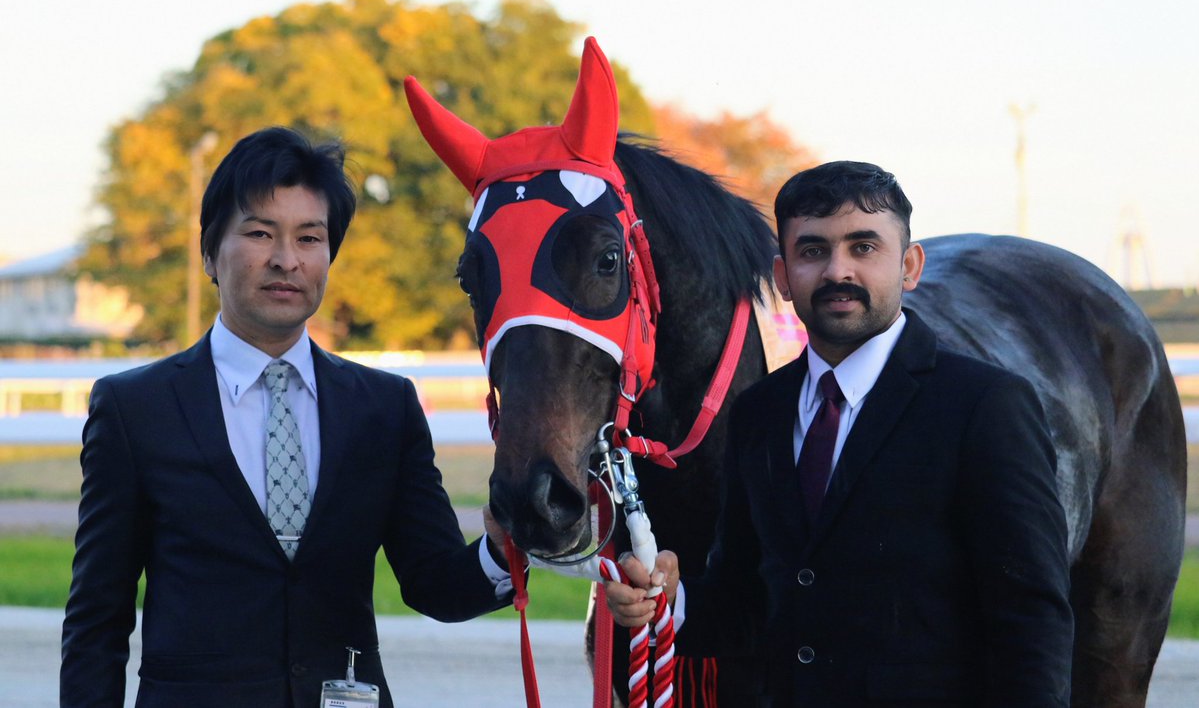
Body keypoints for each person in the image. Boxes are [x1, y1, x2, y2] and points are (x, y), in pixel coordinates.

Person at [61, 127, 513, 707]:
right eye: (258, 233)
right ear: (209, 253)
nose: (286, 259)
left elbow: (436, 586)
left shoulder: (384, 407)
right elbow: (97, 619)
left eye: (309, 237)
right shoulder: (135, 409)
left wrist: (504, 549)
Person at [606, 161, 1073, 706]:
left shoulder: (985, 406)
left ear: (910, 266)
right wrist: (668, 605)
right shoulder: (758, 414)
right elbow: (749, 601)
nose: (837, 271)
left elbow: (1031, 618)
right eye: (813, 251)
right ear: (782, 276)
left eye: (864, 247)